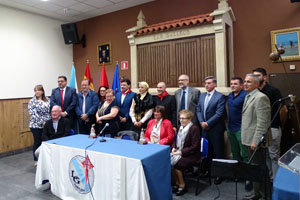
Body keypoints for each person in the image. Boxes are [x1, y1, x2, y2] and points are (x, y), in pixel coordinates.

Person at [253, 67, 288, 180]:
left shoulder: (273, 90)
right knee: (265, 155)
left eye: (258, 75)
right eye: (254, 76)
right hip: (260, 128)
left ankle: (276, 181)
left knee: (274, 155)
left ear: (264, 77)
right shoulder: (255, 91)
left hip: (273, 127)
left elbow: (283, 110)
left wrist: (278, 125)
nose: (256, 78)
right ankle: (269, 177)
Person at [241, 74, 271, 200]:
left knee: (259, 169)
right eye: (245, 81)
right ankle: (256, 193)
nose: (245, 84)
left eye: (249, 82)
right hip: (247, 139)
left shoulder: (261, 98)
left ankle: (265, 196)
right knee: (253, 169)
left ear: (257, 84)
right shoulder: (248, 96)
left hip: (254, 141)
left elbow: (262, 123)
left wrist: (256, 140)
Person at [196, 76, 226, 185]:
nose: (207, 85)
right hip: (204, 128)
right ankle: (207, 171)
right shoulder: (202, 95)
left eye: (209, 83)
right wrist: (201, 123)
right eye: (205, 83)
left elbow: (219, 113)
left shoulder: (220, 96)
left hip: (215, 129)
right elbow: (198, 109)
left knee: (218, 151)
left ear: (214, 84)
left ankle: (220, 174)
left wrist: (208, 123)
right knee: (206, 151)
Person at [227, 77, 252, 190]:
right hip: (231, 128)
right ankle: (237, 174)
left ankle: (248, 178)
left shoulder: (245, 96)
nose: (233, 86)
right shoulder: (230, 96)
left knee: (245, 154)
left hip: (241, 129)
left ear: (241, 85)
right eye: (231, 84)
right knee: (235, 153)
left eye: (235, 84)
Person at [170, 110, 201, 196]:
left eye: (183, 118)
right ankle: (177, 182)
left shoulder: (194, 129)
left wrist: (181, 152)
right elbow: (174, 141)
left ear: (190, 119)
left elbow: (195, 147)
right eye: (180, 118)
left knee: (177, 164)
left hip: (192, 155)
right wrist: (173, 148)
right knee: (169, 162)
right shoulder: (179, 127)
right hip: (180, 152)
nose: (181, 120)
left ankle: (182, 185)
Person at [28, 85, 51, 165]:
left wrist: (48, 122)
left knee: (45, 141)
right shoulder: (32, 101)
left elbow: (49, 112)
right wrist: (42, 122)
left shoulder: (48, 99)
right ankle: (36, 160)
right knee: (37, 142)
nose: (37, 92)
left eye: (38, 90)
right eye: (35, 90)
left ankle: (44, 158)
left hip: (47, 124)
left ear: (42, 91)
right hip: (36, 125)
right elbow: (33, 114)